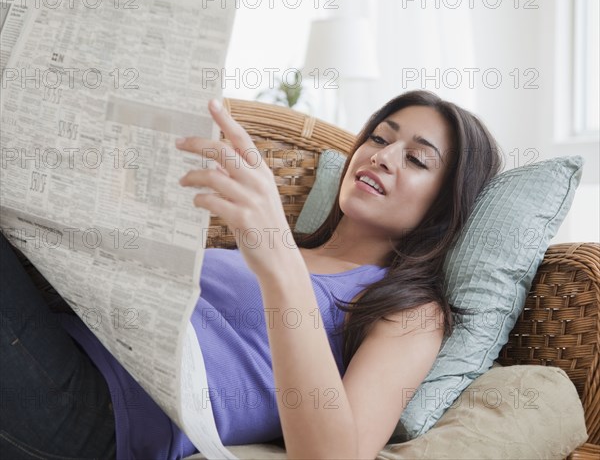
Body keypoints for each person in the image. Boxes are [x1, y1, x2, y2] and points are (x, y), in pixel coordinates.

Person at [0, 90, 502, 459]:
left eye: (416, 159)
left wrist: (279, 261)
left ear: (445, 204)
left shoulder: (411, 310)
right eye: (378, 137)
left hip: (97, 411)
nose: (383, 156)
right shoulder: (267, 244)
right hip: (55, 344)